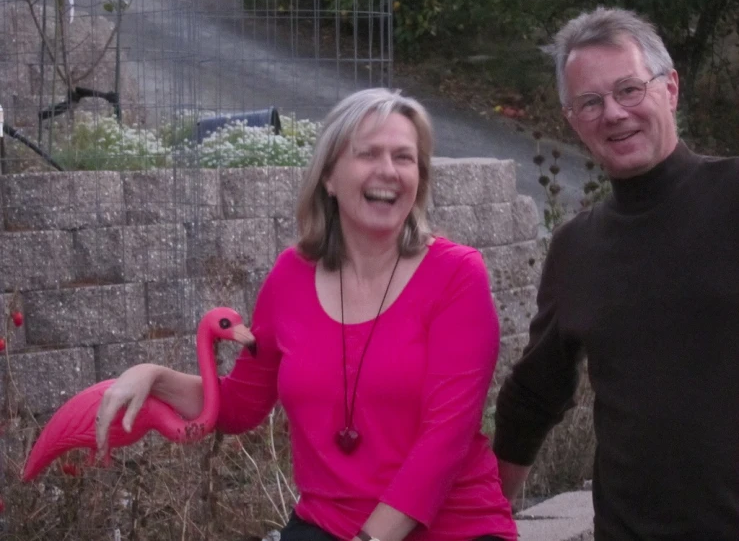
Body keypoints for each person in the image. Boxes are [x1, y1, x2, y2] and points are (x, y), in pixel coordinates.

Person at [96, 88, 518, 541]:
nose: (388, 172)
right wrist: (154, 377)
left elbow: (446, 437)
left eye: (404, 157)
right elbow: (240, 405)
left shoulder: (456, 275)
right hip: (328, 526)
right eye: (368, 154)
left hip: (454, 528)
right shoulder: (290, 277)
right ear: (329, 178)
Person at [492, 7, 739, 541]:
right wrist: (484, 516)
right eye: (590, 102)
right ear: (572, 119)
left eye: (629, 89)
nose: (613, 113)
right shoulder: (577, 247)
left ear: (670, 88)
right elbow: (533, 397)